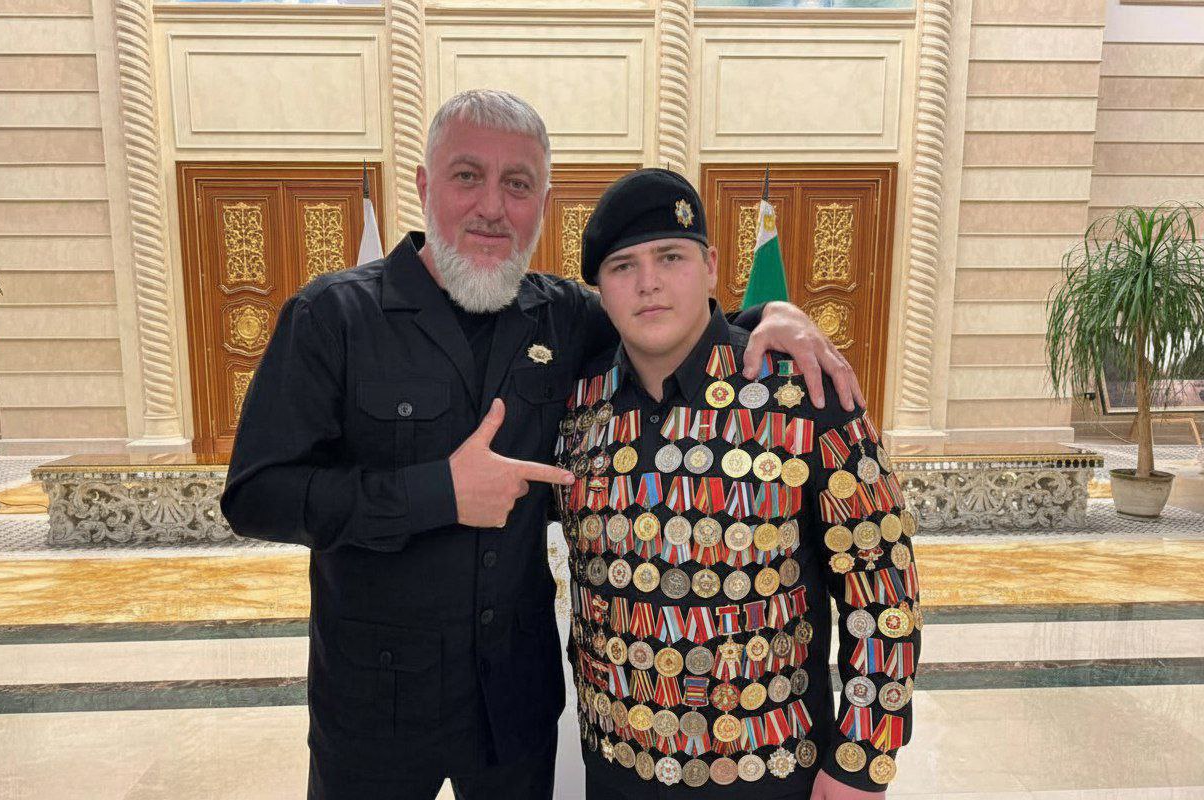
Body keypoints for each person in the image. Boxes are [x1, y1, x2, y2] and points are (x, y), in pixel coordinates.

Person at [219, 90, 865, 800]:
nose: (492, 206)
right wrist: (439, 493)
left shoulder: (562, 316)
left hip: (514, 710)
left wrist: (774, 314)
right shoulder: (331, 317)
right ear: (425, 186)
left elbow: (666, 319)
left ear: (543, 205)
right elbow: (256, 494)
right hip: (376, 710)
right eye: (468, 176)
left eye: (518, 184)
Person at [556, 168, 921, 799]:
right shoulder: (577, 406)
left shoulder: (804, 392)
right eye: (622, 266)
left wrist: (861, 760)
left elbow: (882, 583)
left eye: (670, 257)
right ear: (602, 294)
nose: (648, 282)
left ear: (711, 267)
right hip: (617, 768)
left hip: (770, 768)